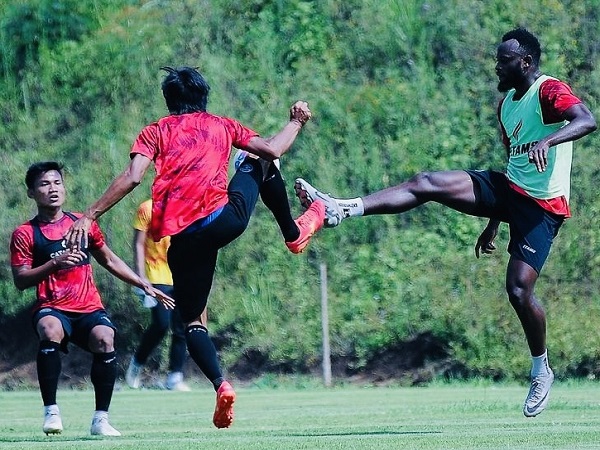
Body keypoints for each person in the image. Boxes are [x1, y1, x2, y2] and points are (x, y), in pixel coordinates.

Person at [294, 27, 597, 417]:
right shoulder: (506, 105)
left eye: (503, 60)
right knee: (427, 182)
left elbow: (586, 120)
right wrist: (493, 220)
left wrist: (548, 141)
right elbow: (514, 164)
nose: (496, 67)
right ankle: (342, 209)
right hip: (509, 190)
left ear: (525, 62)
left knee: (519, 292)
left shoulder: (549, 90)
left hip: (542, 207)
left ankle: (541, 370)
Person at [64, 66, 325, 429]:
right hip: (223, 220)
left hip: (183, 241)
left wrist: (89, 214)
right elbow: (274, 149)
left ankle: (221, 384)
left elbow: (133, 177)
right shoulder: (221, 124)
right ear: (204, 97)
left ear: (169, 102)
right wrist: (296, 121)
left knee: (191, 322)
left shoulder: (155, 131)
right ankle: (292, 232)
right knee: (257, 161)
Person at [10, 162, 174, 437]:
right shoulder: (25, 233)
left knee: (105, 337)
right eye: (44, 184)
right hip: (52, 306)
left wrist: (144, 283)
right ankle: (51, 411)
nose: (53, 189)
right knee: (50, 329)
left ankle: (101, 420)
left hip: (87, 306)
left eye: (57, 183)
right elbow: (21, 280)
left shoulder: (82, 225)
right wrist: (55, 263)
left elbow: (109, 260)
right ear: (31, 192)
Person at [126, 199, 205, 391]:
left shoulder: (187, 205)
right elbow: (138, 243)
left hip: (181, 274)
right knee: (161, 324)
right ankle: (136, 364)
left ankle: (175, 376)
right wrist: (140, 278)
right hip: (155, 275)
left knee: (182, 327)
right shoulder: (147, 208)